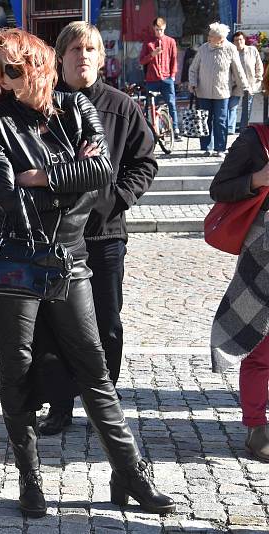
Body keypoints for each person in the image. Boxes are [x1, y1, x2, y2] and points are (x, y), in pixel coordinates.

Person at [0, 27, 175, 518]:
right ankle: (30, 478)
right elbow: (7, 195)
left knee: (95, 367)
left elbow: (103, 172)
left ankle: (129, 473)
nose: (6, 77)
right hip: (15, 259)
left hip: (71, 254)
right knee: (17, 369)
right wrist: (70, 173)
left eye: (14, 66)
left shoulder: (76, 109)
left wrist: (41, 176)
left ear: (39, 63)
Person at [36, 22, 158, 436]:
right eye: (74, 49)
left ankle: (100, 397)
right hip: (53, 235)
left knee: (105, 321)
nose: (82, 56)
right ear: (60, 57)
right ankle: (59, 403)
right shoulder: (43, 106)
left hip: (104, 236)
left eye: (90, 49)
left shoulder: (122, 106)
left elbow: (144, 163)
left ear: (101, 58)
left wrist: (113, 200)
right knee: (52, 322)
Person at [209, 75, 269, 462]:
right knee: (261, 346)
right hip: (263, 259)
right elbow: (220, 188)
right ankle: (256, 426)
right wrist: (257, 179)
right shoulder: (256, 139)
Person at [189, 22, 248, 157]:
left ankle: (220, 148)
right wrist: (192, 83)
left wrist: (245, 87)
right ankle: (206, 147)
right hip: (203, 92)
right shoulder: (203, 49)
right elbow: (193, 69)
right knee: (204, 120)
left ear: (220, 38)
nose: (208, 37)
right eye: (209, 35)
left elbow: (238, 71)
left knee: (221, 120)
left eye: (211, 36)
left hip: (222, 93)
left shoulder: (230, 49)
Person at [139, 17, 179, 138]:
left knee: (171, 103)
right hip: (152, 79)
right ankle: (150, 131)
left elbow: (174, 59)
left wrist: (172, 75)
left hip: (167, 78)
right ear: (153, 29)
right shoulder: (148, 42)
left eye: (161, 30)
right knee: (150, 106)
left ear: (164, 28)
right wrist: (152, 54)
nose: (159, 32)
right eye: (157, 30)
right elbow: (141, 61)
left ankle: (175, 129)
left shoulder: (170, 41)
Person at [231, 31, 264, 133]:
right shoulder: (231, 52)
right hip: (235, 85)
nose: (239, 42)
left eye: (240, 39)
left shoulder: (252, 50)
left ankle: (243, 129)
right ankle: (229, 129)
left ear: (244, 40)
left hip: (250, 84)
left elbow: (259, 65)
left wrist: (258, 78)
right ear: (233, 42)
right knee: (232, 106)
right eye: (236, 40)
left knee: (247, 108)